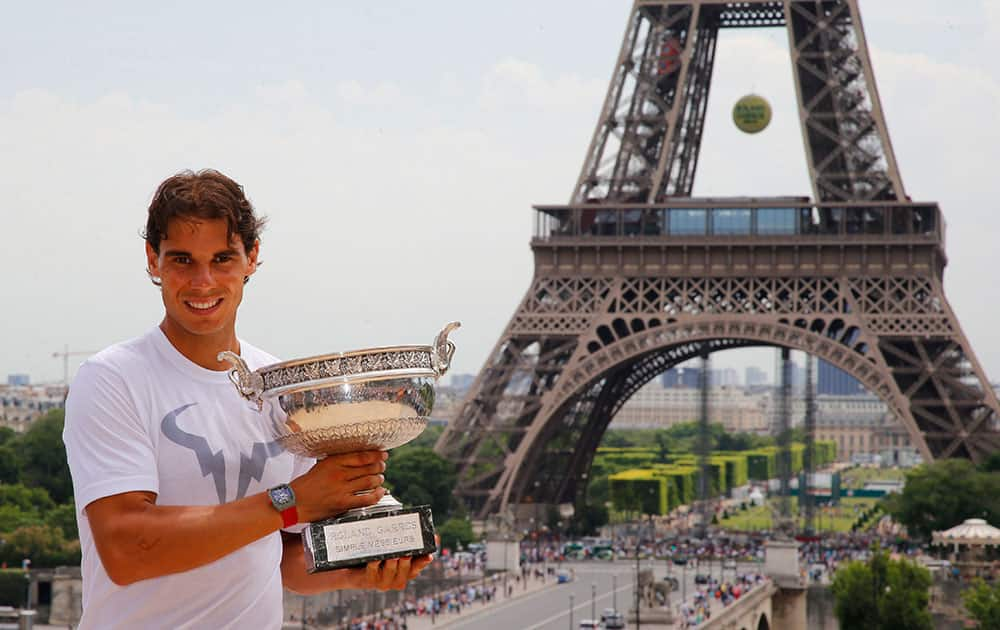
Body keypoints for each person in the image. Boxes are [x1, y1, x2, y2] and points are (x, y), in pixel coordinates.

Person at [63, 170, 432, 629]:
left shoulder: (279, 387)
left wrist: (363, 567)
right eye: (182, 259)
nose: (202, 281)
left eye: (222, 258)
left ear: (252, 258)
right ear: (152, 260)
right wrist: (291, 501)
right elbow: (126, 550)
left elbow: (284, 558)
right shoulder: (112, 379)